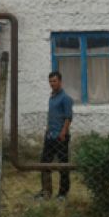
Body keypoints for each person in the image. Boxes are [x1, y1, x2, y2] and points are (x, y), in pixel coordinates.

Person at [35, 71, 73, 200]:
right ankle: (46, 192)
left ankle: (63, 193)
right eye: (50, 81)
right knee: (44, 163)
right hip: (50, 136)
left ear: (60, 81)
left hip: (60, 137)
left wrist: (63, 132)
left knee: (63, 165)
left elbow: (68, 117)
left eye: (54, 81)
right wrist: (47, 130)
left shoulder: (65, 98)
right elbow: (51, 116)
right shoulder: (52, 97)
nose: (52, 83)